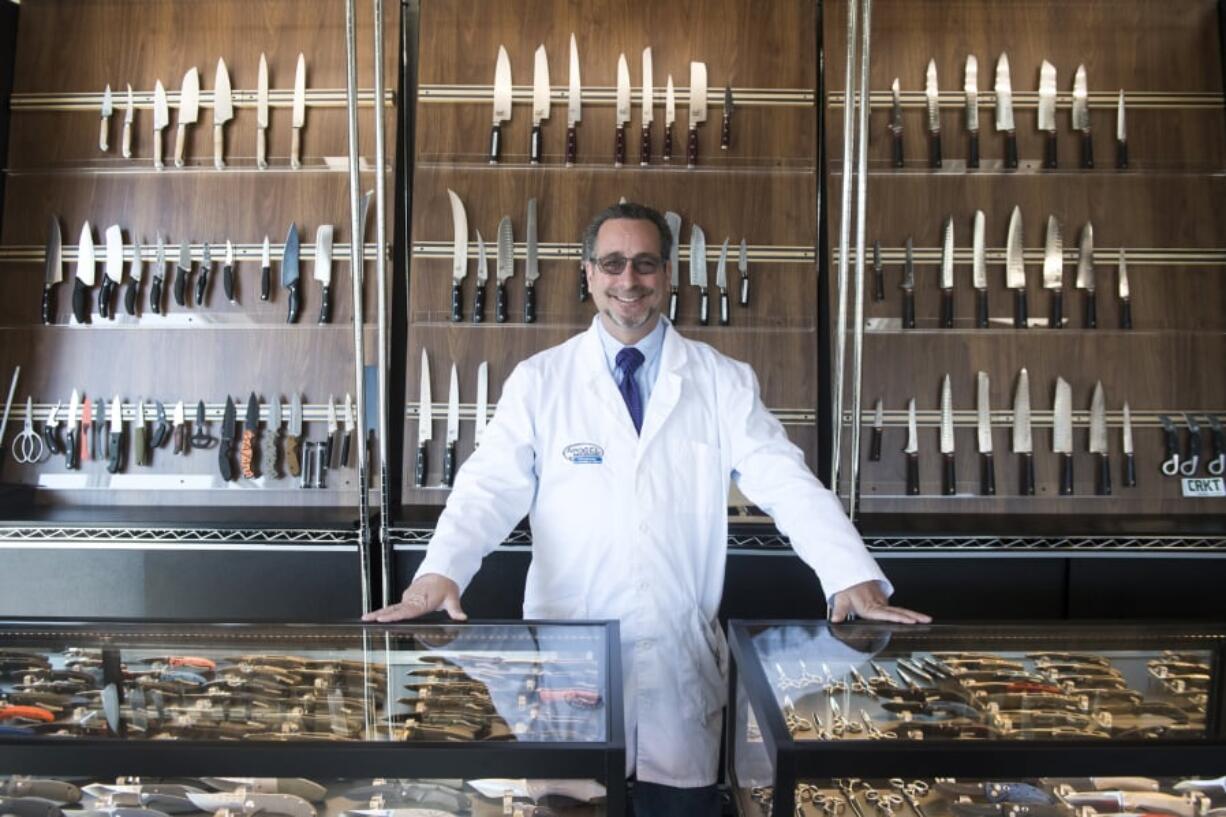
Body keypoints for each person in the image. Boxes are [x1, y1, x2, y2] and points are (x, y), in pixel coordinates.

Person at [365, 202, 930, 816]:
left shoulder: (720, 380)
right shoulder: (541, 381)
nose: (628, 281)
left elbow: (786, 481)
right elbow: (487, 488)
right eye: (612, 264)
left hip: (677, 672)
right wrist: (436, 575)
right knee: (571, 804)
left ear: (668, 273)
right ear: (588, 275)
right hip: (568, 668)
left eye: (644, 264)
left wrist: (853, 576)